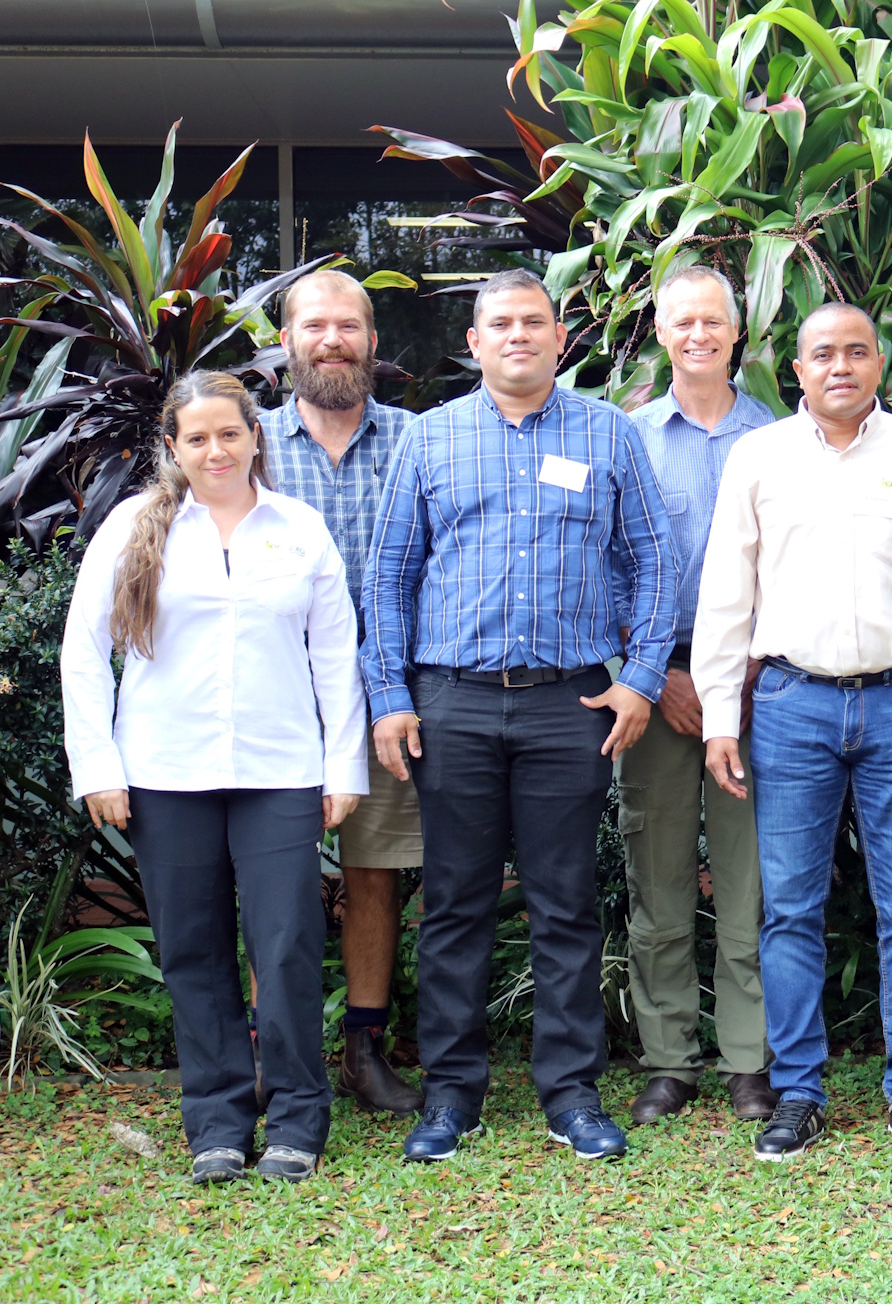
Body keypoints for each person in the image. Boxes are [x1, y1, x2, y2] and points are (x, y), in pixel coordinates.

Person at [362, 269, 678, 1165]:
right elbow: (388, 578)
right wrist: (390, 697)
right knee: (456, 904)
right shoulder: (430, 440)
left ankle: (571, 1092)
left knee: (565, 905)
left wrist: (643, 678)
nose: (517, 336)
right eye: (499, 323)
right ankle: (452, 1094)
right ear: (473, 341)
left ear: (558, 337)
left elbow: (654, 561)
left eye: (533, 322)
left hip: (569, 703)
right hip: (452, 703)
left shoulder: (607, 433)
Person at [61, 371, 366, 1185]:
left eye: (228, 434)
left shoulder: (299, 528)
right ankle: (219, 1122)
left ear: (254, 437)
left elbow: (336, 657)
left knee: (289, 944)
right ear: (173, 447)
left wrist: (343, 767)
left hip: (280, 772)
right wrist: (97, 764)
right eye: (196, 437)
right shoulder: (133, 527)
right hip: (164, 773)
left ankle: (298, 1118)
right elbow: (83, 651)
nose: (214, 450)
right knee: (193, 952)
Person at [692, 301, 892, 1163]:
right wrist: (717, 714)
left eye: (857, 351)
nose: (840, 366)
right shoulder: (760, 456)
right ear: (797, 369)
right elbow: (724, 595)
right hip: (790, 706)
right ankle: (799, 1092)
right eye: (823, 353)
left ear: (881, 364)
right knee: (789, 910)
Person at [261, 270, 424, 1114]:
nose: (332, 339)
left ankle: (365, 1050)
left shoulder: (416, 441)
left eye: (349, 325)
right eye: (315, 325)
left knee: (375, 871)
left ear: (371, 340)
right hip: (273, 700)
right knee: (270, 876)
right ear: (286, 340)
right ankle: (271, 1054)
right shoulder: (244, 442)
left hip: (385, 694)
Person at [621, 266, 779, 1127]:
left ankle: (749, 1059)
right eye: (682, 321)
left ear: (735, 330)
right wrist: (661, 674)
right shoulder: (629, 437)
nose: (698, 334)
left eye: (712, 320)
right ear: (660, 329)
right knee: (661, 875)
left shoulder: (779, 435)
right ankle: (668, 1056)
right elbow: (606, 562)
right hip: (659, 682)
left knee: (750, 880)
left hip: (759, 684)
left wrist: (748, 670)